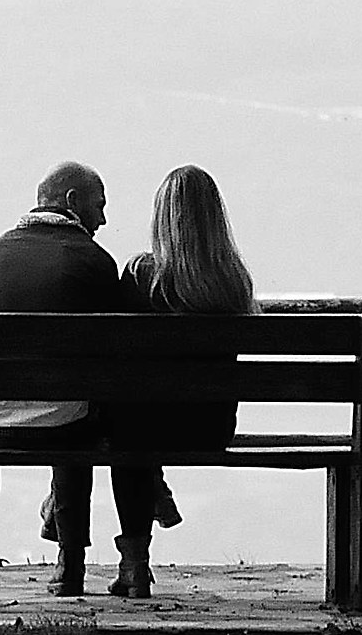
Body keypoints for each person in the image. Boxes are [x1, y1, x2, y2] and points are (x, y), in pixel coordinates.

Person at [0, 161, 156, 598]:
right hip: (67, 427)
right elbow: (117, 356)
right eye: (99, 206)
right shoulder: (95, 262)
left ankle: (68, 559)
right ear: (72, 202)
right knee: (88, 418)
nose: (103, 220)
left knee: (69, 406)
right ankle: (106, 557)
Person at [110, 165, 258, 595]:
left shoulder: (142, 275)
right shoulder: (234, 283)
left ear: (161, 219)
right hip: (210, 428)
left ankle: (134, 564)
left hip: (141, 430)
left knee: (128, 433)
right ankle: (152, 485)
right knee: (136, 430)